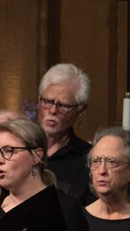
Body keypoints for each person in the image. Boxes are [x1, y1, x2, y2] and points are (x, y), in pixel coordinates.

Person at [36, 62, 93, 202]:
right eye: (48, 101)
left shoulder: (89, 159)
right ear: (39, 101)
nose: (53, 110)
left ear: (81, 110)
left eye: (64, 106)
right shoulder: (20, 150)